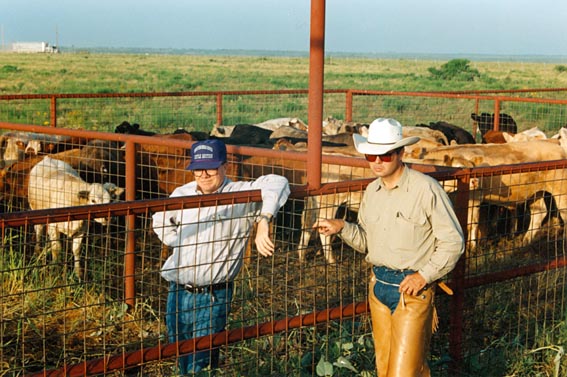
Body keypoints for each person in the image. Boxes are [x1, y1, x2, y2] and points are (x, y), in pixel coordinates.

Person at [314, 118, 464, 376]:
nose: (377, 162)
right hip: (379, 286)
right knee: (384, 368)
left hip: (412, 291)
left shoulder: (426, 189)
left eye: (384, 155)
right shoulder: (372, 191)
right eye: (371, 155)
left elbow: (453, 241)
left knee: (403, 372)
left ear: (400, 153)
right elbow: (367, 243)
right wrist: (342, 227)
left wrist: (424, 276)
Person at [152, 139, 290, 374]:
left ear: (225, 166)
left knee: (201, 359)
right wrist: (183, 243)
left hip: (213, 293)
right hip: (177, 289)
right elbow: (160, 221)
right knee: (179, 349)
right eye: (198, 168)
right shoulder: (182, 193)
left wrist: (264, 219)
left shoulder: (240, 194)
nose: (203, 174)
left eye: (211, 167)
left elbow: (278, 182)